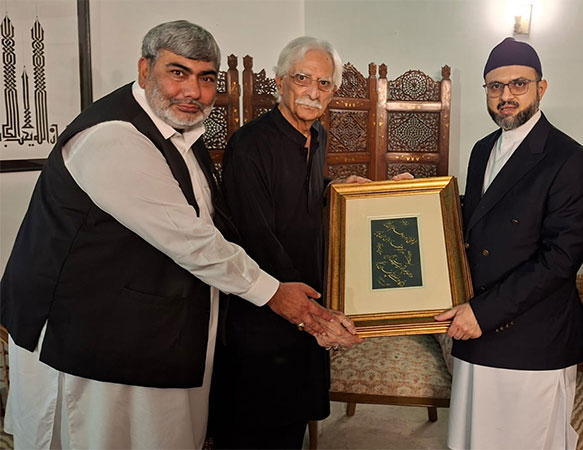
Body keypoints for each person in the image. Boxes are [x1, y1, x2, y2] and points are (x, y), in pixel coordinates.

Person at [0, 21, 347, 449]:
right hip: (86, 335)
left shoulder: (181, 132)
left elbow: (211, 218)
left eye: (205, 78)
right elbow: (192, 241)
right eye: (177, 72)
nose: (193, 91)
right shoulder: (113, 137)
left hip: (151, 327)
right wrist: (274, 293)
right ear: (145, 70)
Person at [434, 37, 583, 449]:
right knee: (476, 437)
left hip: (530, 333)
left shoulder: (570, 159)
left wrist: (482, 312)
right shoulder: (481, 149)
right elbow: (481, 212)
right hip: (478, 324)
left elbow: (560, 260)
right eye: (494, 86)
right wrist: (419, 199)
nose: (505, 96)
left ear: (541, 88)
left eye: (518, 84)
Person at [209, 36, 365, 449]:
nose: (314, 91)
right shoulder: (249, 145)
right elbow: (255, 233)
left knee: (292, 423)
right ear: (280, 81)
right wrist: (307, 309)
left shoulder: (318, 137)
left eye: (325, 83)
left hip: (308, 301)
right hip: (265, 307)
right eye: (303, 78)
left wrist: (337, 189)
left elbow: (299, 199)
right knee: (256, 425)